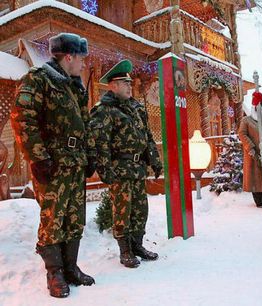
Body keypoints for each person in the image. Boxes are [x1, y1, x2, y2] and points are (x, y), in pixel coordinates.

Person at [11, 33, 96, 298]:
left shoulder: (74, 86)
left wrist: (89, 154)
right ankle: (54, 273)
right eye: (81, 59)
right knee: (52, 219)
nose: (83, 65)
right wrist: (39, 158)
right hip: (53, 164)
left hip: (74, 163)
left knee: (74, 217)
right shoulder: (38, 79)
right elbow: (23, 119)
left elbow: (85, 124)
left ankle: (70, 267)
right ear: (69, 56)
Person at [90, 60, 162, 268]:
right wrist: (104, 170)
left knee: (140, 209)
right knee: (122, 210)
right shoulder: (104, 110)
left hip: (138, 169)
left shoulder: (136, 108)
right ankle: (125, 250)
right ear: (113, 86)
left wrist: (154, 160)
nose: (130, 86)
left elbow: (147, 136)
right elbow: (99, 142)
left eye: (130, 83)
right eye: (125, 83)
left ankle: (137, 245)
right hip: (119, 170)